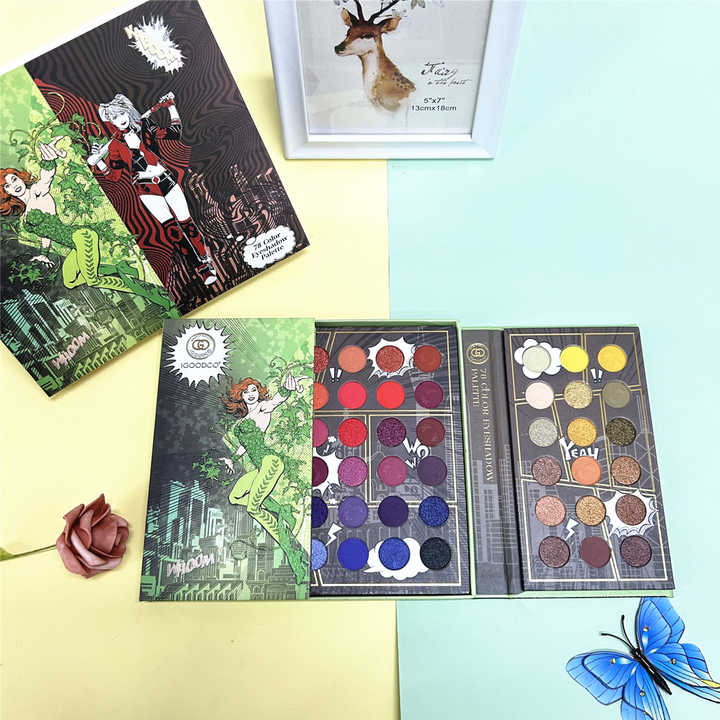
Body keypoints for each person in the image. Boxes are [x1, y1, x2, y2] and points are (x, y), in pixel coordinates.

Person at [0, 137, 174, 311]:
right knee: (69, 281)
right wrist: (44, 254)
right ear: (5, 193)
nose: (14, 185)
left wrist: (48, 161)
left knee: (93, 280)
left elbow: (46, 177)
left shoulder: (37, 192)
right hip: (75, 246)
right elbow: (45, 235)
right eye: (7, 186)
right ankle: (118, 268)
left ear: (20, 177)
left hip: (82, 237)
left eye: (14, 179)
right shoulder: (25, 216)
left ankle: (150, 293)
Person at [90, 92, 217, 285]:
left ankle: (205, 259)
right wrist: (99, 162)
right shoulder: (115, 145)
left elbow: (175, 132)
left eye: (121, 113)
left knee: (187, 224)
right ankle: (202, 270)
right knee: (173, 232)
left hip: (166, 180)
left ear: (127, 111)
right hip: (146, 190)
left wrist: (171, 106)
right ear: (111, 121)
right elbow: (113, 177)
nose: (120, 119)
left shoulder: (145, 126)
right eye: (114, 117)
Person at [220, 371, 309, 584]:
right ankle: (281, 509)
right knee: (235, 497)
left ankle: (292, 552)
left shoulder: (262, 407)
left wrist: (287, 389)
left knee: (253, 508)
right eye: (246, 392)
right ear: (240, 396)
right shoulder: (242, 421)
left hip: (271, 462)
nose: (250, 394)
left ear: (258, 393)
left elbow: (276, 400)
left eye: (254, 390)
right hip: (260, 469)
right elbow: (244, 447)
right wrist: (232, 460)